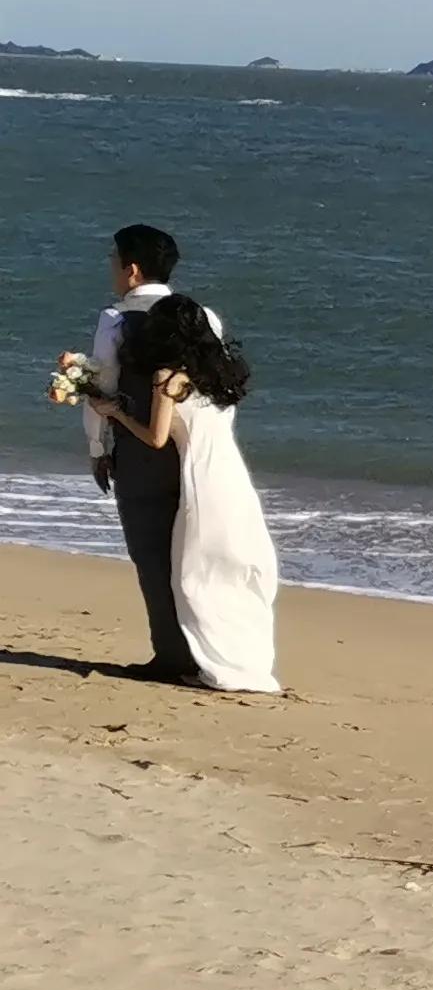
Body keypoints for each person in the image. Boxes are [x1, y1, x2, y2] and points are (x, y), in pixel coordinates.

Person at [86, 293, 281, 695]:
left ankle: (209, 662)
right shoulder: (219, 372)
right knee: (235, 570)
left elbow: (156, 439)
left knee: (194, 575)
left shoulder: (166, 378)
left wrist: (116, 413)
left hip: (200, 479)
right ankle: (244, 660)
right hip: (231, 477)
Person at [87, 227, 224, 683]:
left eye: (114, 260)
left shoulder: (115, 320)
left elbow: (103, 389)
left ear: (132, 269)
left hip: (142, 449)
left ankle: (171, 655)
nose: (111, 268)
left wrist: (97, 448)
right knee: (192, 554)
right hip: (194, 453)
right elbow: (213, 393)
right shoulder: (202, 316)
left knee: (150, 555)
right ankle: (204, 646)